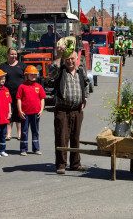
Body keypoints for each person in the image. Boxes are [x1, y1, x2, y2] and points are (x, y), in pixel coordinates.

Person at [49, 45, 90, 174]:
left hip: (77, 110)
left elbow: (87, 84)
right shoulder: (60, 71)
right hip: (62, 110)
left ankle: (75, 164)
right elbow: (51, 71)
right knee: (62, 137)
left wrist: (85, 98)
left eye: (72, 58)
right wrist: (59, 56)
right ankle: (61, 165)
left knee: (75, 138)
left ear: (76, 58)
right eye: (67, 59)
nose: (70, 61)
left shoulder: (80, 71)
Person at [16, 65, 46, 156]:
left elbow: (42, 99)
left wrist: (41, 110)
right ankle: (23, 149)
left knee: (35, 131)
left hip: (36, 113)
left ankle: (36, 149)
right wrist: (20, 110)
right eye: (31, 74)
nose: (33, 76)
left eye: (35, 74)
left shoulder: (39, 86)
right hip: (25, 113)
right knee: (24, 131)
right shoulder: (22, 86)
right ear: (26, 75)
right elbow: (19, 99)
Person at [0, 48, 27, 141]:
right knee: (8, 113)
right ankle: (8, 133)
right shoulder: (3, 66)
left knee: (19, 113)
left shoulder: (22, 65)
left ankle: (19, 134)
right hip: (7, 94)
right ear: (7, 55)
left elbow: (27, 79)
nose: (14, 56)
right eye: (12, 54)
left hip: (20, 95)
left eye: (15, 54)